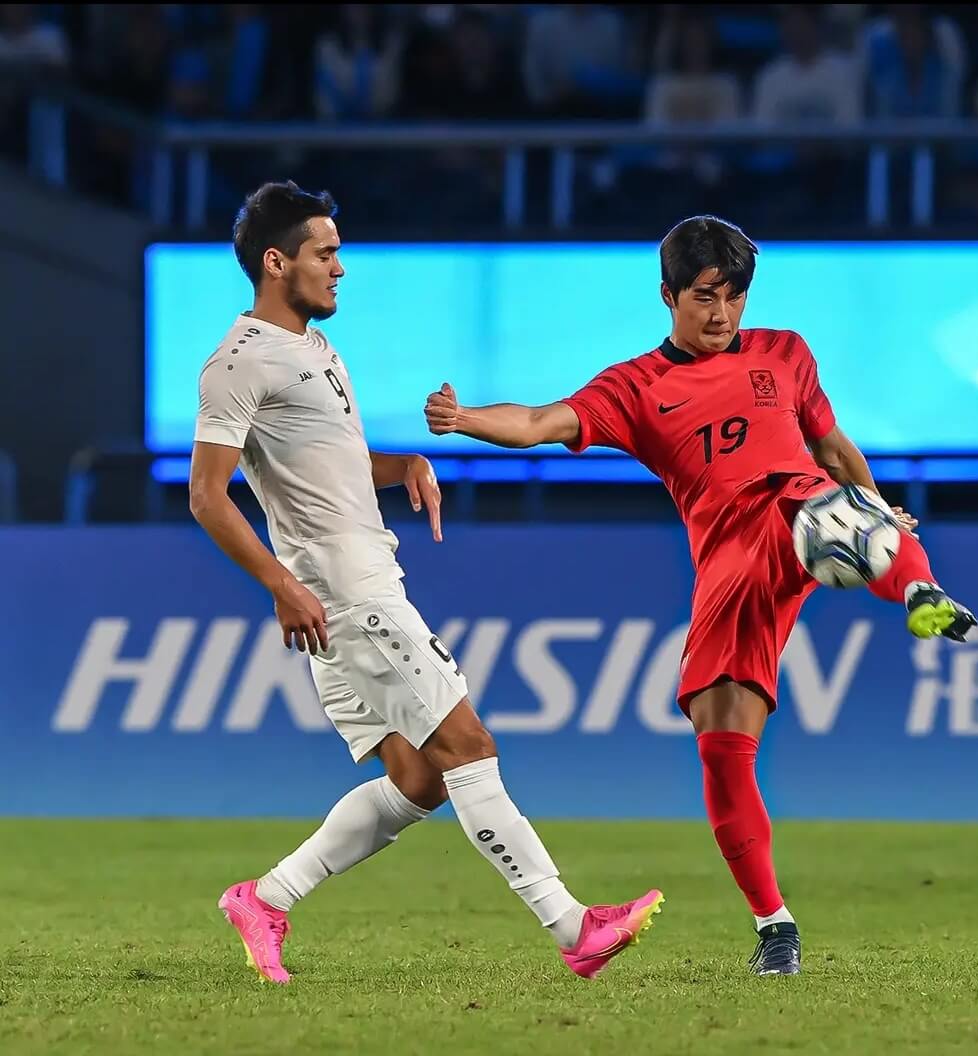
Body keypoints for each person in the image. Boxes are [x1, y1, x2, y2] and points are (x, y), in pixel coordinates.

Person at [424, 215, 977, 977]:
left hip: (798, 505)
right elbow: (539, 422)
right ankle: (774, 927)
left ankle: (919, 589)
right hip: (729, 559)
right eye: (704, 297)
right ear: (668, 296)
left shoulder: (784, 353)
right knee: (720, 747)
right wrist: (463, 420)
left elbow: (832, 448)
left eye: (734, 296)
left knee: (837, 511)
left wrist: (875, 504)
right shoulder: (636, 387)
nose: (721, 314)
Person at [188, 181, 663, 984]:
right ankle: (572, 925)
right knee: (467, 745)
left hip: (354, 583)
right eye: (324, 253)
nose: (341, 267)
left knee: (417, 778)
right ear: (276, 262)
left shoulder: (311, 347)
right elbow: (207, 494)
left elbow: (324, 467)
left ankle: (266, 898)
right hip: (343, 593)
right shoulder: (238, 364)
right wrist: (281, 584)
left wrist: (402, 464)